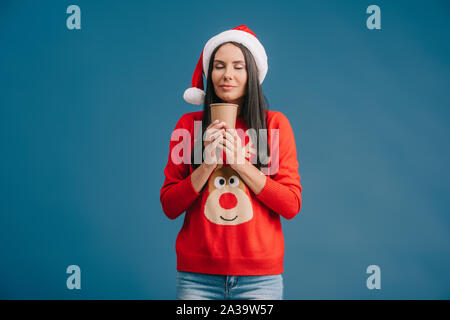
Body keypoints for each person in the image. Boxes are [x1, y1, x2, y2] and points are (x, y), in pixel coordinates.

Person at [160, 25, 302, 300]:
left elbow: (290, 204)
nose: (227, 75)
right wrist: (206, 165)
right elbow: (169, 206)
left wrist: (240, 163)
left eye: (239, 67)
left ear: (252, 74)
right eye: (219, 66)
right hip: (196, 277)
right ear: (209, 74)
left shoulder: (275, 125)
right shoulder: (188, 127)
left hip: (260, 279)